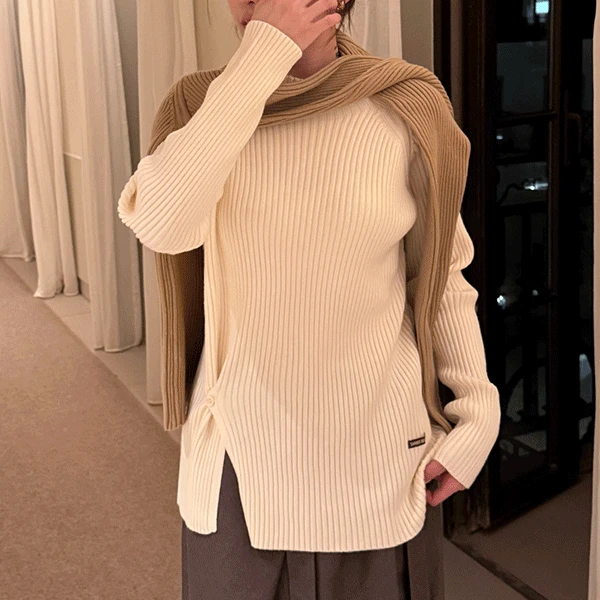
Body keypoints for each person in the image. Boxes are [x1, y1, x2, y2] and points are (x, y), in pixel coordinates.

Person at [117, 0, 502, 598]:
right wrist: (263, 57)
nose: (255, 4)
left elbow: (440, 274)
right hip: (241, 464)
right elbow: (162, 225)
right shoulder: (202, 106)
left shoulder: (404, 105)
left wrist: (478, 410)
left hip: (376, 455)